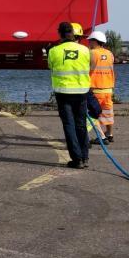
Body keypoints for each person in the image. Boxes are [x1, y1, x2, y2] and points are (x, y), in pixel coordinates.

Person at [47, 21, 91, 169]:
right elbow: (88, 66)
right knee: (81, 125)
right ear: (73, 32)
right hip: (82, 92)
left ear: (59, 33)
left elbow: (50, 66)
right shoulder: (85, 50)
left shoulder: (54, 51)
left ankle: (77, 159)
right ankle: (85, 157)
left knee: (69, 125)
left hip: (63, 92)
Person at [86, 30, 116, 143]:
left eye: (90, 41)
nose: (88, 43)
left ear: (95, 41)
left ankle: (101, 136)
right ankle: (110, 134)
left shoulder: (91, 53)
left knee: (93, 114)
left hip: (95, 88)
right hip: (108, 89)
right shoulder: (110, 54)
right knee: (108, 112)